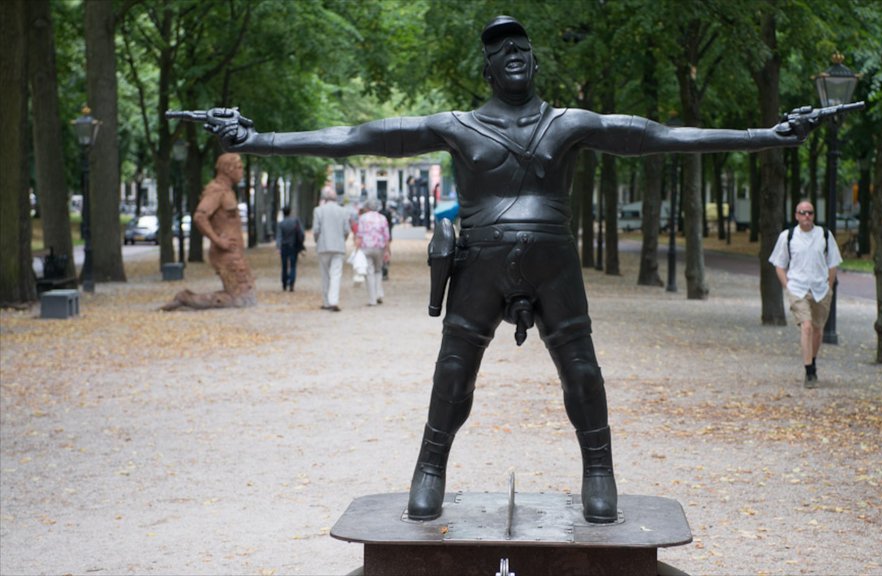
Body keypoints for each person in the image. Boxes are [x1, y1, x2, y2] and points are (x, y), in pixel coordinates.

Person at [201, 15, 820, 523]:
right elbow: (362, 135)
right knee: (453, 373)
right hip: (479, 267)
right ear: (488, 68)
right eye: (501, 48)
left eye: (522, 45)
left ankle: (599, 468)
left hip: (554, 265)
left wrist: (767, 134)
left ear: (535, 62)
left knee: (581, 371)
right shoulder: (457, 126)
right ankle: (430, 467)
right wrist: (259, 141)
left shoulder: (570, 124)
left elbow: (661, 136)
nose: (514, 52)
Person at [161, 153, 255, 311]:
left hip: (234, 252)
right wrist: (218, 241)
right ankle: (187, 298)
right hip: (226, 254)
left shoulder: (227, 191)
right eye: (239, 167)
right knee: (240, 299)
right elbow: (200, 216)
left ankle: (189, 298)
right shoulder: (216, 191)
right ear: (228, 169)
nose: (242, 171)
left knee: (246, 296)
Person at [769, 200, 842, 388]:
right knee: (807, 326)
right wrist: (788, 286)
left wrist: (829, 286)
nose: (806, 216)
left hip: (820, 289)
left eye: (809, 212)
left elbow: (833, 263)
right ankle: (809, 371)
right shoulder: (788, 237)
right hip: (798, 288)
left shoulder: (824, 235)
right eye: (802, 212)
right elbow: (779, 264)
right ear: (796, 216)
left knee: (818, 330)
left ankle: (813, 361)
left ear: (814, 216)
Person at [312, 188, 351, 312]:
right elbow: (346, 230)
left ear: (324, 198)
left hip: (323, 246)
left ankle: (326, 302)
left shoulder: (318, 210)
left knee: (325, 275)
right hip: (338, 246)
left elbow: (316, 230)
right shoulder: (343, 211)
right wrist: (342, 239)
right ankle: (334, 300)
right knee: (336, 274)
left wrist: (317, 240)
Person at [354, 197, 391, 306]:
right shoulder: (383, 218)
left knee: (369, 272)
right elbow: (386, 236)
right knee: (378, 270)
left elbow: (359, 235)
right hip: (379, 247)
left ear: (367, 207)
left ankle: (372, 299)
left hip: (366, 247)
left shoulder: (363, 218)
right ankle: (379, 293)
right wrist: (387, 251)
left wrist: (357, 250)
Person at [275, 205, 304, 292]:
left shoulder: (281, 223)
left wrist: (278, 247)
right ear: (290, 212)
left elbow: (279, 236)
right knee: (293, 265)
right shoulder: (295, 221)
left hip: (284, 247)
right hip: (293, 246)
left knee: (284, 266)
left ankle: (284, 283)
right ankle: (291, 283)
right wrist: (301, 243)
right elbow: (301, 233)